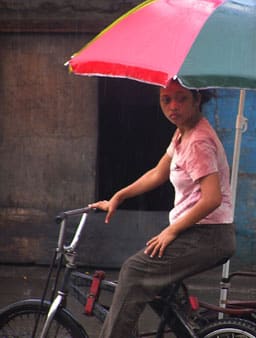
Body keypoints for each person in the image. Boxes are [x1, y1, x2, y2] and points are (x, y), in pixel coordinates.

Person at [89, 78, 236, 337]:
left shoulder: (198, 142)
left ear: (197, 99)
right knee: (155, 283)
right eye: (165, 100)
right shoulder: (183, 132)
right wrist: (119, 196)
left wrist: (171, 231)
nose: (173, 107)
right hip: (198, 233)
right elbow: (158, 173)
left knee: (134, 272)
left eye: (181, 98)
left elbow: (212, 198)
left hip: (208, 236)